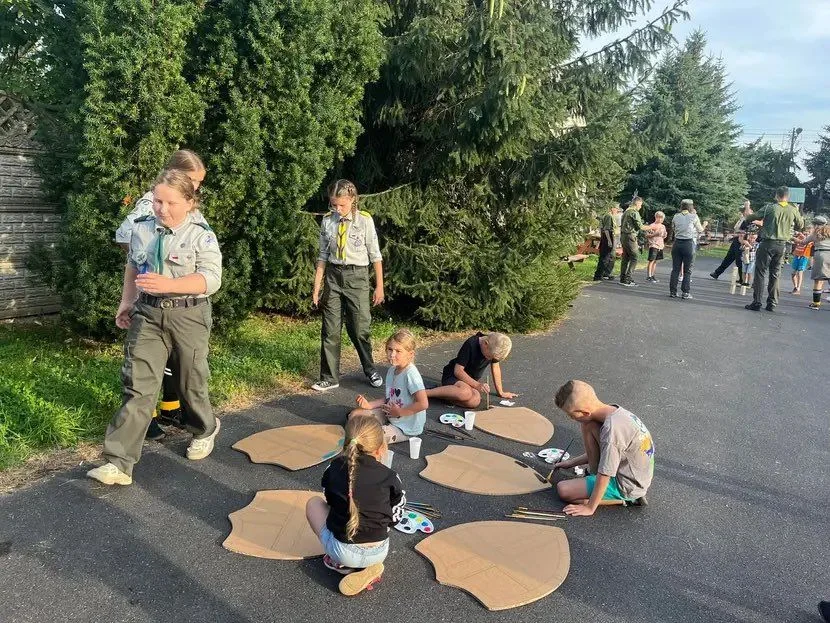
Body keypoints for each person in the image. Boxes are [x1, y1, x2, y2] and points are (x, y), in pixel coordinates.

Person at [87, 169, 223, 486]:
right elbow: (134, 265)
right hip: (147, 314)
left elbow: (211, 279)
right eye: (157, 200)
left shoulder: (201, 234)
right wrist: (127, 301)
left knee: (191, 382)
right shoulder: (143, 229)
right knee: (137, 386)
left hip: (188, 314)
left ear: (190, 202)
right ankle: (118, 463)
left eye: (170, 202)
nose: (161, 208)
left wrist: (170, 283)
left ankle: (205, 428)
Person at [114, 149, 207, 441]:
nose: (196, 187)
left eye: (198, 183)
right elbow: (125, 236)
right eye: (192, 180)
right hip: (153, 294)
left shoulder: (184, 201)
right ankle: (150, 419)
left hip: (178, 296)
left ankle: (170, 408)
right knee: (148, 364)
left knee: (174, 361)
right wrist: (148, 262)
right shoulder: (150, 204)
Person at [306, 416, 405, 596]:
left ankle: (343, 566)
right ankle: (365, 566)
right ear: (381, 448)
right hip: (379, 551)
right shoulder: (391, 476)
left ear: (345, 445)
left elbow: (329, 502)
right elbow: (396, 517)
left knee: (313, 504)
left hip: (343, 551)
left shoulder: (333, 468)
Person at [312, 180, 385, 392]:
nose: (337, 209)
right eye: (333, 205)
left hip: (357, 277)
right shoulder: (328, 221)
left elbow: (375, 256)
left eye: (341, 205)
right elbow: (323, 256)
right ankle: (329, 377)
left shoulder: (364, 221)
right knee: (330, 329)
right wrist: (317, 287)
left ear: (352, 200)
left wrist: (379, 286)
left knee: (359, 328)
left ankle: (370, 368)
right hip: (333, 278)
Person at [552, 380, 654, 516]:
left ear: (585, 412)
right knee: (588, 425)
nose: (570, 418)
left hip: (627, 485)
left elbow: (606, 472)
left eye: (571, 415)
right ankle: (593, 482)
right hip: (629, 471)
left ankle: (628, 500)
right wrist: (570, 462)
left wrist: (589, 507)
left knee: (563, 490)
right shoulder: (612, 412)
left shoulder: (612, 431)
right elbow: (608, 454)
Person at [349, 329, 428, 445]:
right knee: (354, 416)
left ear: (410, 354)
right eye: (390, 349)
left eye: (398, 351)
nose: (392, 354)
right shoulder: (392, 370)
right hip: (390, 414)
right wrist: (368, 405)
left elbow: (423, 403)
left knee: (368, 437)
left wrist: (400, 412)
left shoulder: (411, 374)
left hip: (406, 428)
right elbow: (389, 398)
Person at [742, 187, 805, 312]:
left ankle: (757, 302)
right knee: (775, 274)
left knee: (760, 273)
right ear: (788, 196)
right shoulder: (792, 209)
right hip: (782, 245)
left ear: (777, 195)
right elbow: (801, 225)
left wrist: (748, 208)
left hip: (767, 243)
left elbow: (749, 218)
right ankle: (772, 303)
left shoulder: (769, 208)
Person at [424, 332, 516, 408]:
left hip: (469, 382)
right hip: (453, 376)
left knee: (475, 401)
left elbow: (495, 368)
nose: (488, 359)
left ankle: (446, 396)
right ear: (485, 344)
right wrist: (477, 385)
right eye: (488, 357)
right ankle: (425, 393)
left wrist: (501, 392)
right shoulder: (471, 343)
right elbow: (458, 371)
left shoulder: (494, 348)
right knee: (465, 392)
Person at [669, 199, 704, 300]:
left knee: (675, 269)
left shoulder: (676, 216)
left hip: (677, 243)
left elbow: (674, 227)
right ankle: (685, 292)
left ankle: (673, 291)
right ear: (691, 207)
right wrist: (705, 224)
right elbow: (700, 229)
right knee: (687, 270)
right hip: (688, 244)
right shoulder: (694, 216)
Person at [710, 200, 752, 283]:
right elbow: (737, 229)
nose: (744, 212)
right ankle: (717, 273)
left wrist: (747, 205)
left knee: (739, 260)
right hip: (736, 240)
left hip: (741, 240)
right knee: (728, 258)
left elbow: (744, 231)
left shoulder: (748, 219)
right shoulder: (741, 219)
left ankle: (742, 279)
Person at [619, 197, 653, 287]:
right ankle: (628, 278)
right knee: (634, 257)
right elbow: (640, 226)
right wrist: (651, 227)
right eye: (640, 205)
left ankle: (622, 278)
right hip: (630, 236)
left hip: (623, 236)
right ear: (637, 203)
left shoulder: (626, 211)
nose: (640, 207)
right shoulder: (634, 212)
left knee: (626, 257)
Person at [802, 215, 830, 310]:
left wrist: (794, 239)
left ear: (815, 224)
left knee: (818, 280)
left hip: (821, 254)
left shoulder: (815, 234)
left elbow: (804, 242)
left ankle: (816, 303)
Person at [593, 203, 619, 281]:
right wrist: (609, 241)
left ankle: (605, 274)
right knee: (605, 257)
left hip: (608, 238)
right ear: (612, 208)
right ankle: (598, 275)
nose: (617, 211)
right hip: (607, 238)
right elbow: (606, 230)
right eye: (616, 208)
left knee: (610, 257)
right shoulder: (608, 216)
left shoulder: (609, 216)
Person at [789, 226, 813, 294]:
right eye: (805, 232)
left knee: (800, 272)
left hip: (804, 256)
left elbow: (804, 241)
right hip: (797, 255)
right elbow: (794, 241)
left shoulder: (810, 240)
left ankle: (798, 288)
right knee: (793, 273)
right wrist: (794, 235)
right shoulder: (800, 237)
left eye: (808, 233)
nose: (806, 234)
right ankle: (795, 287)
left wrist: (800, 235)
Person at [645, 211, 667, 283]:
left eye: (662, 218)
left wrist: (664, 235)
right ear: (656, 217)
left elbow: (663, 236)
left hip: (660, 245)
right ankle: (649, 276)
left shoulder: (663, 226)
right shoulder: (652, 225)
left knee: (655, 261)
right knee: (651, 260)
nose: (661, 219)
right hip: (653, 244)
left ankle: (653, 275)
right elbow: (647, 235)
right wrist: (655, 234)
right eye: (659, 218)